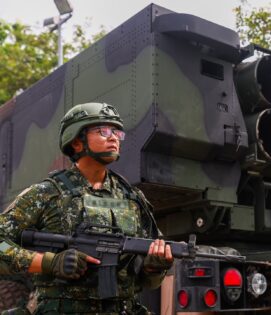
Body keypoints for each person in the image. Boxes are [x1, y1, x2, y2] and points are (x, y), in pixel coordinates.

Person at [0, 103, 173, 314]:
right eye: (103, 131)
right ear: (77, 141)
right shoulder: (46, 194)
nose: (114, 138)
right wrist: (50, 262)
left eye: (117, 132)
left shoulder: (133, 199)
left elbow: (149, 281)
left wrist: (154, 266)